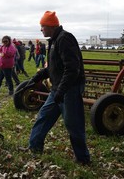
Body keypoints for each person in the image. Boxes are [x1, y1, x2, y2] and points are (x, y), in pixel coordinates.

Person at [29, 11, 90, 165]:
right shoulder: (54, 40)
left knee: (73, 124)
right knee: (43, 117)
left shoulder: (65, 39)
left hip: (69, 89)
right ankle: (34, 149)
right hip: (58, 89)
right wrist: (39, 76)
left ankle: (83, 159)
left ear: (50, 26)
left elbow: (72, 70)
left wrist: (61, 91)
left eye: (42, 26)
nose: (41, 30)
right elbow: (55, 67)